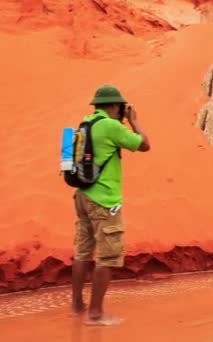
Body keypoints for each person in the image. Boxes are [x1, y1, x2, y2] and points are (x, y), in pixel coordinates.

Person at [71, 85, 150, 326]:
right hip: (104, 200)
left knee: (82, 251)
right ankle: (95, 314)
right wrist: (134, 122)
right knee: (108, 255)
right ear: (115, 106)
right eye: (120, 108)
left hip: (82, 196)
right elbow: (144, 145)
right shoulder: (111, 126)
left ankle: (77, 305)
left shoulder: (85, 123)